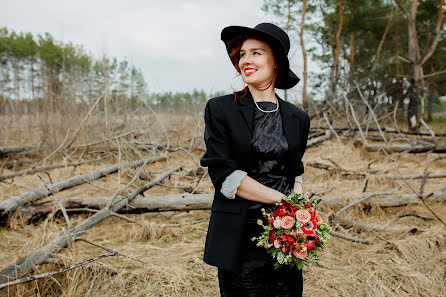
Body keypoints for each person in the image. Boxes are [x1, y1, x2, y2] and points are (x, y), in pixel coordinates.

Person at [200, 23, 311, 297]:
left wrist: (300, 222)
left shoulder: (298, 118)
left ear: (276, 63)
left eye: (257, 53)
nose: (245, 60)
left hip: (283, 238)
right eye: (242, 55)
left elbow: (295, 172)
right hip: (239, 239)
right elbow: (225, 176)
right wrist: (284, 202)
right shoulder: (220, 109)